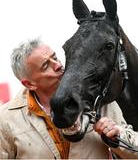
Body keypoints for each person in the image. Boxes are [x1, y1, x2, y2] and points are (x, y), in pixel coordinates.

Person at [0, 38, 138, 159]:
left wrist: (118, 135)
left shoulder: (98, 97)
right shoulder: (5, 119)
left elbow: (135, 153)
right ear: (29, 84)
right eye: (46, 66)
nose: (58, 65)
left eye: (55, 57)